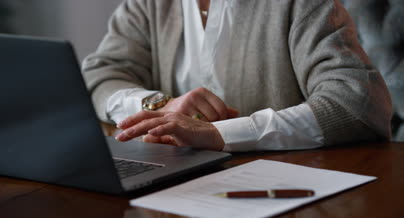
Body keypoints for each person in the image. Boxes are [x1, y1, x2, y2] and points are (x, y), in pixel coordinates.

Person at [82, 0, 392, 152]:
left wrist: (222, 134)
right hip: (174, 191)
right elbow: (101, 73)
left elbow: (358, 104)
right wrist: (158, 106)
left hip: (278, 198)